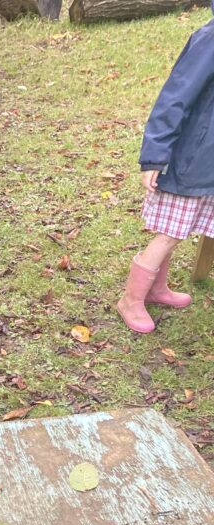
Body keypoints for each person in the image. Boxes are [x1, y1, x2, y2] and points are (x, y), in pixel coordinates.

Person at [117, 5, 214, 334]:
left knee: (181, 231)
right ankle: (131, 299)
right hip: (193, 160)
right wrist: (155, 155)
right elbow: (175, 97)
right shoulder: (210, 39)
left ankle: (157, 290)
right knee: (171, 234)